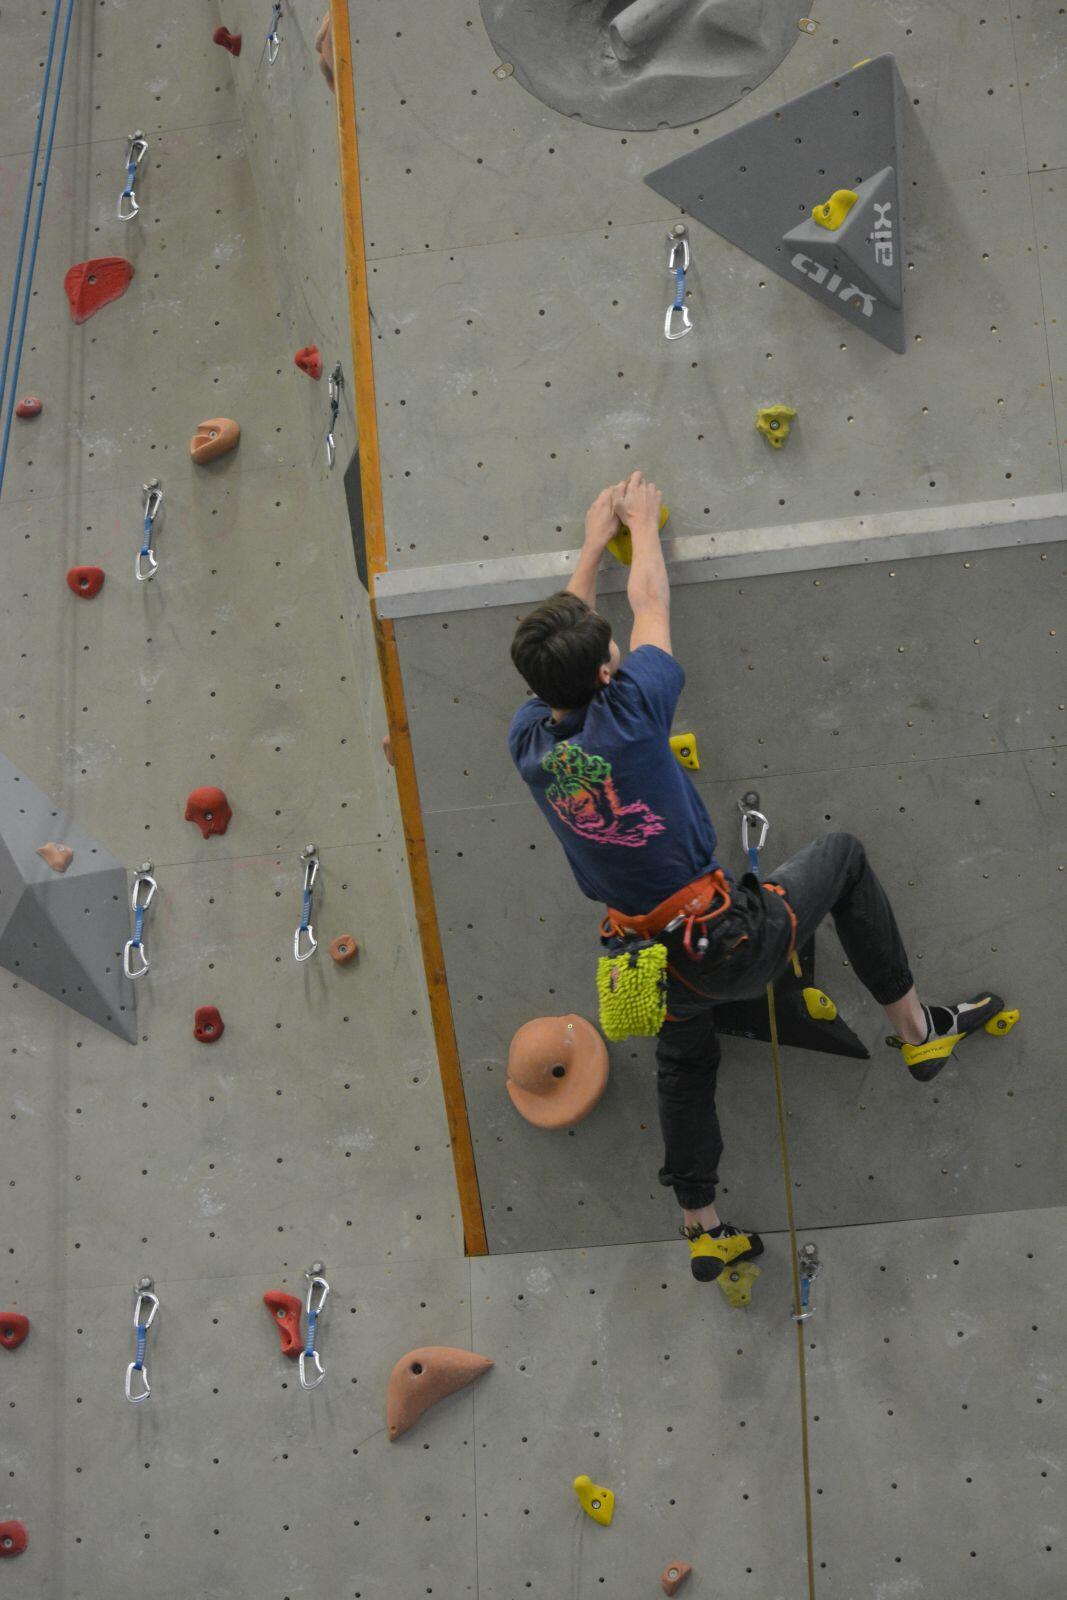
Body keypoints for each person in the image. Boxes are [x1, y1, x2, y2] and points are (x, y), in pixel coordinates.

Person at [507, 470, 1002, 1282]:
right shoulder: (631, 713)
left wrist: (590, 543)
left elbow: (563, 647)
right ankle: (920, 1034)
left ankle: (702, 1227)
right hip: (724, 941)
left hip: (644, 958)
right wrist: (637, 528)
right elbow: (650, 601)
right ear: (603, 674)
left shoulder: (529, 742)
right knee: (842, 857)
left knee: (683, 1064)